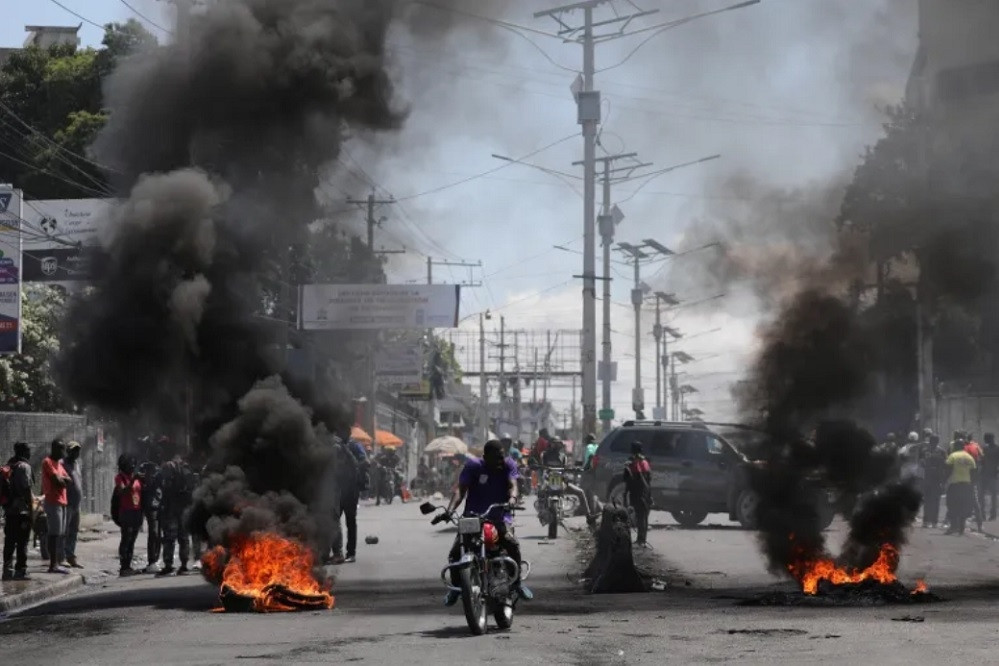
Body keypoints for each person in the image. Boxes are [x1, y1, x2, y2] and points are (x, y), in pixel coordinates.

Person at [443, 440, 530, 606]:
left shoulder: (508, 464)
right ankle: (456, 588)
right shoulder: (473, 466)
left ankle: (517, 583)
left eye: (501, 457)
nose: (499, 461)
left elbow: (513, 485)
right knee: (455, 553)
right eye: (496, 458)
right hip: (472, 517)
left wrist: (512, 498)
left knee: (511, 544)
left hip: (499, 516)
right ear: (485, 457)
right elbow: (460, 490)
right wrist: (450, 510)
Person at [156, 445, 195, 576]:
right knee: (184, 537)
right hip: (184, 507)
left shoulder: (167, 466)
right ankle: (184, 566)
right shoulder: (186, 467)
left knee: (169, 537)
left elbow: (162, 484)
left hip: (171, 506)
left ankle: (168, 566)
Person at [330, 434, 368, 565]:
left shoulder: (354, 446)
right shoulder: (335, 445)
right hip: (338, 490)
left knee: (350, 521)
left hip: (351, 490)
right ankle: (337, 553)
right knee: (334, 521)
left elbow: (365, 462)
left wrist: (355, 466)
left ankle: (351, 553)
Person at [2, 442, 34, 580]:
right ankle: (21, 571)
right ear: (24, 452)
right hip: (22, 511)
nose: (30, 453)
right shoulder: (24, 466)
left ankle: (7, 571)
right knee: (22, 541)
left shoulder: (8, 465)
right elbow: (26, 489)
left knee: (9, 541)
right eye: (28, 451)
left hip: (9, 511)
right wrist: (32, 510)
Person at [40, 439, 72, 574]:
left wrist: (62, 480)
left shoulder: (58, 464)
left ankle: (57, 563)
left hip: (62, 501)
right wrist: (62, 480)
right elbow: (57, 481)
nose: (63, 452)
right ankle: (53, 565)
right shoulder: (47, 462)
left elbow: (68, 480)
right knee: (54, 534)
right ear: (54, 449)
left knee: (60, 534)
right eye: (61, 449)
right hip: (53, 501)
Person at [113, 454, 144, 576]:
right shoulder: (120, 477)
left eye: (133, 464)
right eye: (129, 464)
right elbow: (122, 491)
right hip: (126, 511)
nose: (132, 466)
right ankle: (123, 566)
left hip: (137, 511)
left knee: (132, 540)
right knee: (126, 538)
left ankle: (128, 566)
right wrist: (133, 480)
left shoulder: (135, 478)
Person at [137, 442, 163, 574]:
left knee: (158, 534)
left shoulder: (160, 469)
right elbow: (143, 485)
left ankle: (155, 559)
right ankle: (152, 561)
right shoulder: (144, 468)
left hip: (159, 504)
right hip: (150, 504)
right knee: (153, 533)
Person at [623, 441, 652, 547]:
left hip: (639, 492)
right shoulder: (644, 462)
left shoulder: (637, 462)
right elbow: (648, 479)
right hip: (642, 492)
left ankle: (642, 540)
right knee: (642, 516)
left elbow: (637, 478)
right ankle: (641, 539)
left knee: (641, 516)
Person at [945, 440, 977, 536]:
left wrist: (944, 481)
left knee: (952, 505)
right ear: (963, 447)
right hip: (967, 485)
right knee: (963, 506)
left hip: (954, 484)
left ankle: (953, 526)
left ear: (955, 447)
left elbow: (948, 469)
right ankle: (961, 528)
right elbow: (974, 473)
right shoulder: (970, 458)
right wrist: (972, 484)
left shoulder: (953, 456)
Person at [62, 441, 85, 569]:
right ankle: (62, 557)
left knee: (74, 531)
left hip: (76, 504)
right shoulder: (62, 464)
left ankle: (71, 556)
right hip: (66, 503)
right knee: (64, 531)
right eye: (73, 450)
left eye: (77, 450)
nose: (76, 453)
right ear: (68, 451)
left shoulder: (77, 464)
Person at [922, 435, 947, 528]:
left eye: (934, 441)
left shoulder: (942, 451)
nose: (932, 443)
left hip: (936, 479)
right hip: (928, 478)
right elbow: (921, 463)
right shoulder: (925, 450)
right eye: (932, 441)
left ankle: (934, 522)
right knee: (928, 500)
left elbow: (945, 465)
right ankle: (926, 521)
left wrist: (943, 480)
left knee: (935, 501)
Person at [980, 433, 999, 521]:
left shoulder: (985, 448)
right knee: (992, 496)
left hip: (989, 475)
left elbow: (982, 461)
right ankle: (991, 515)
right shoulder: (993, 448)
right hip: (989, 475)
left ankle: (986, 514)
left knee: (985, 495)